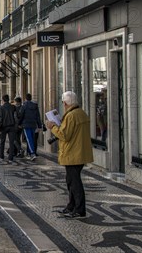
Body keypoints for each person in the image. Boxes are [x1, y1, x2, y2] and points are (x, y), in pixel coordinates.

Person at [45, 91, 94, 219]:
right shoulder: (81, 113)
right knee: (71, 180)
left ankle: (79, 209)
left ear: (66, 103)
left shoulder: (71, 116)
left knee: (75, 182)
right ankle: (71, 205)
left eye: (63, 103)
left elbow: (64, 135)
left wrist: (52, 127)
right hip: (79, 151)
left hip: (73, 153)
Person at [19, 93, 43, 161]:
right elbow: (38, 116)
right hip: (33, 124)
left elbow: (21, 116)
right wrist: (39, 125)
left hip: (26, 125)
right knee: (31, 139)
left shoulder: (24, 106)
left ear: (26, 98)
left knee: (29, 139)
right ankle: (29, 153)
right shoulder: (35, 106)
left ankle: (32, 153)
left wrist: (19, 123)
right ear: (31, 98)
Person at [0, 95, 17, 165]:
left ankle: (1, 156)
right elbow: (16, 115)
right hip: (12, 126)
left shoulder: (1, 108)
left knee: (2, 141)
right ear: (8, 99)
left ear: (3, 100)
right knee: (11, 142)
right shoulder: (13, 107)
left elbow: (0, 118)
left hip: (4, 127)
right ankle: (10, 158)